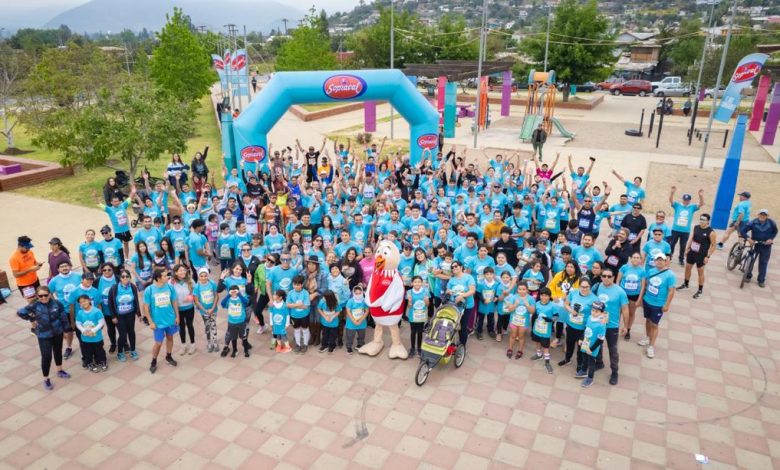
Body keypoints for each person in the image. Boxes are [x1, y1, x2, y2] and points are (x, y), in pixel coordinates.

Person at [17, 286, 71, 390]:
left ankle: (60, 370)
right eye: (40, 296)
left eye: (45, 295)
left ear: (50, 294)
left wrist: (66, 330)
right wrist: (32, 318)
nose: (43, 298)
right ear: (37, 296)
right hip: (44, 335)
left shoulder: (57, 303)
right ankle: (46, 379)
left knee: (58, 351)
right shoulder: (34, 305)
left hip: (57, 332)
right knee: (46, 357)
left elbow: (63, 317)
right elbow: (20, 312)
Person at [592, 267, 628, 386]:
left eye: (609, 276)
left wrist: (626, 326)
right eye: (604, 276)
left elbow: (625, 309)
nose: (606, 278)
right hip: (598, 323)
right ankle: (599, 363)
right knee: (598, 344)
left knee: (613, 349)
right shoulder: (598, 287)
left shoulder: (620, 291)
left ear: (613, 277)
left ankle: (614, 372)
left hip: (612, 326)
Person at [142, 268, 180, 373]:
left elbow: (174, 302)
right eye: (165, 276)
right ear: (158, 278)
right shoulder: (149, 290)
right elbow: (145, 307)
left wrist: (177, 316)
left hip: (170, 319)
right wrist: (150, 322)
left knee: (170, 337)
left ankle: (169, 356)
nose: (168, 277)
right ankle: (154, 360)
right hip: (158, 323)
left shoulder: (170, 287)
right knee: (158, 343)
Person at [638, 255, 676, 358]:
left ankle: (651, 346)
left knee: (654, 324)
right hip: (647, 300)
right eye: (657, 260)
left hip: (658, 304)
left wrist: (667, 305)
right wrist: (641, 299)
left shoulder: (670, 275)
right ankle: (647, 338)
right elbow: (646, 284)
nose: (659, 262)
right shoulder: (651, 271)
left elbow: (671, 291)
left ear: (666, 261)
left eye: (661, 260)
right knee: (647, 320)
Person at [678, 213, 717, 298]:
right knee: (687, 268)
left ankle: (700, 290)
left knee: (700, 272)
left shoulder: (711, 232)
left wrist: (708, 256)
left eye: (704, 220)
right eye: (701, 219)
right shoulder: (696, 227)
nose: (702, 221)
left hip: (701, 255)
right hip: (692, 252)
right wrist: (687, 248)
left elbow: (714, 246)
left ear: (708, 221)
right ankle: (686, 284)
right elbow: (691, 238)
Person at [106, 269, 141, 362]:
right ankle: (120, 352)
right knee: (122, 334)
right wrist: (113, 316)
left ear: (130, 277)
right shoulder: (114, 288)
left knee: (131, 332)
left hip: (130, 314)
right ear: (120, 278)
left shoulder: (133, 287)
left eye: (127, 276)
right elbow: (110, 303)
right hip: (119, 316)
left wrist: (139, 314)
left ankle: (133, 350)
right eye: (123, 276)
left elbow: (136, 301)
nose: (125, 278)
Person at [740, 209, 777, 288]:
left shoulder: (771, 223)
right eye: (761, 214)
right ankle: (748, 276)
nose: (762, 216)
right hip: (755, 244)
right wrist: (748, 238)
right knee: (751, 260)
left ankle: (761, 280)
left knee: (763, 263)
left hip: (766, 246)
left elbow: (775, 231)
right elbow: (743, 231)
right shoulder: (753, 222)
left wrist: (771, 239)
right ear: (758, 214)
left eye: (764, 215)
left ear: (767, 216)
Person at [668, 186, 704, 266]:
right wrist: (672, 192)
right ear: (682, 199)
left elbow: (701, 204)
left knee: (683, 246)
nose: (686, 201)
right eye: (685, 200)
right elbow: (671, 201)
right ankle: (669, 257)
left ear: (689, 200)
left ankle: (681, 259)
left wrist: (700, 196)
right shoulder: (677, 205)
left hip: (685, 231)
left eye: (687, 200)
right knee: (672, 244)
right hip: (675, 229)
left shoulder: (692, 207)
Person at [75, 294, 108, 373]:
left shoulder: (97, 311)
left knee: (99, 350)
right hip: (85, 338)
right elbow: (78, 323)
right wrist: (83, 330)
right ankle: (89, 363)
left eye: (85, 301)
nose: (83, 303)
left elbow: (101, 322)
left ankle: (102, 361)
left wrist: (93, 330)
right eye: (81, 302)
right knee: (87, 351)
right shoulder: (80, 313)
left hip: (97, 337)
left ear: (89, 300)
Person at [617, 252, 646, 341]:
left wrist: (639, 299)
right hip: (623, 294)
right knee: (619, 312)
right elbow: (618, 281)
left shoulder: (642, 271)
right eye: (634, 257)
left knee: (631, 313)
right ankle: (615, 328)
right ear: (631, 258)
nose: (636, 259)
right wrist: (617, 294)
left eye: (638, 258)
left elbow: (643, 286)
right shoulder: (624, 267)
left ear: (640, 260)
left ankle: (627, 329)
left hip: (634, 296)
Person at [578, 300, 607, 388]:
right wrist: (581, 338)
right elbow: (586, 329)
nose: (594, 313)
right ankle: (583, 370)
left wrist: (591, 349)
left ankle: (590, 378)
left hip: (593, 347)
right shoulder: (590, 317)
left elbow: (600, 340)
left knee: (591, 363)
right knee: (584, 358)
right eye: (593, 310)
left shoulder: (601, 324)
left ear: (602, 312)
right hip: (585, 343)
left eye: (596, 311)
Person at [9, 235, 43, 304]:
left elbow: (34, 262)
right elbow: (16, 275)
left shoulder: (30, 252)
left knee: (40, 298)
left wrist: (37, 264)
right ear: (20, 246)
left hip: (35, 280)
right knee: (32, 303)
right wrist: (29, 270)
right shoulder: (14, 258)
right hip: (25, 285)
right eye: (27, 247)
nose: (29, 249)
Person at [193, 267, 220, 353]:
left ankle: (215, 341)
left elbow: (216, 296)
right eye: (201, 276)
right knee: (207, 326)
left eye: (205, 276)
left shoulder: (212, 283)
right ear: (198, 277)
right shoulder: (197, 287)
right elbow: (196, 301)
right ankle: (209, 342)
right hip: (204, 311)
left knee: (213, 325)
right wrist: (205, 310)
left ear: (208, 276)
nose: (204, 278)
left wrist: (212, 308)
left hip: (213, 310)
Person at [220, 285, 251, 358]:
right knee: (233, 338)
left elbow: (246, 302)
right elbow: (222, 304)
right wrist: (228, 295)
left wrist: (239, 294)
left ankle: (246, 350)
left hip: (241, 322)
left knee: (244, 337)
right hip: (232, 323)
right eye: (232, 292)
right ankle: (235, 350)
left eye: (235, 291)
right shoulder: (228, 300)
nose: (234, 293)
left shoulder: (241, 299)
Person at [530, 287, 555, 374]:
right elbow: (534, 313)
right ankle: (539, 354)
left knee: (546, 347)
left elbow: (556, 316)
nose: (544, 297)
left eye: (546, 296)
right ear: (540, 296)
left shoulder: (552, 305)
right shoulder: (537, 303)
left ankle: (547, 363)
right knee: (537, 342)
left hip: (545, 332)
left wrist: (550, 319)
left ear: (549, 296)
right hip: (537, 329)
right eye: (542, 295)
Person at [345, 285, 368, 355]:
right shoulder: (350, 301)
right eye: (356, 293)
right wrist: (354, 321)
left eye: (359, 293)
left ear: (362, 293)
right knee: (350, 335)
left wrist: (360, 320)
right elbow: (348, 311)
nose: (358, 295)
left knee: (361, 335)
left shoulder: (364, 301)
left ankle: (360, 344)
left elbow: (367, 311)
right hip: (351, 322)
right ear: (353, 293)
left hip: (362, 322)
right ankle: (349, 347)